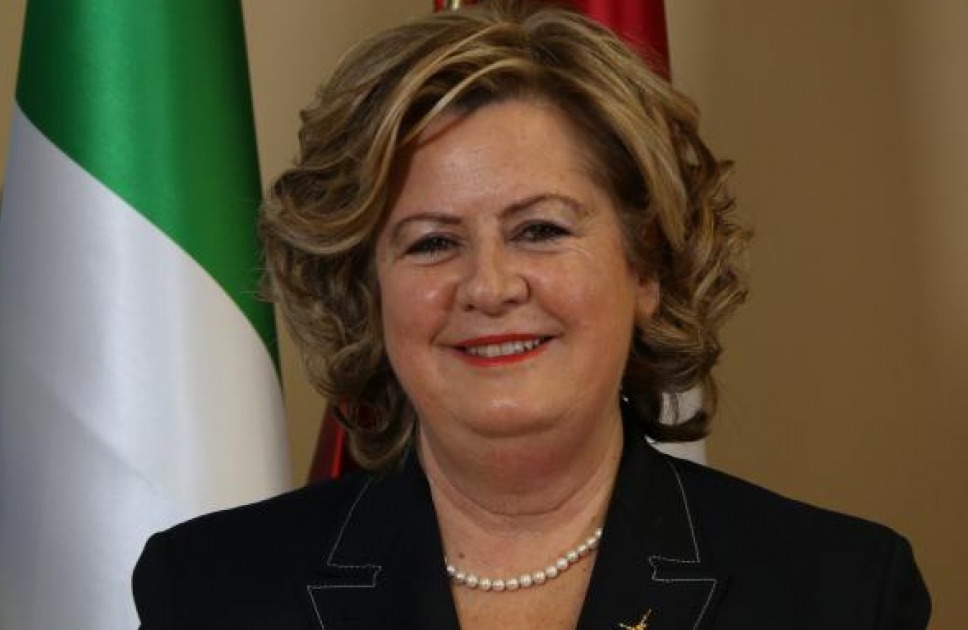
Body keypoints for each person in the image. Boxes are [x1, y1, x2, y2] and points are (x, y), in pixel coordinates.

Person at [132, 2, 930, 628]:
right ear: (366, 291)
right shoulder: (211, 588)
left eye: (540, 230)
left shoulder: (837, 590)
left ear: (646, 266)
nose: (489, 287)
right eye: (432, 242)